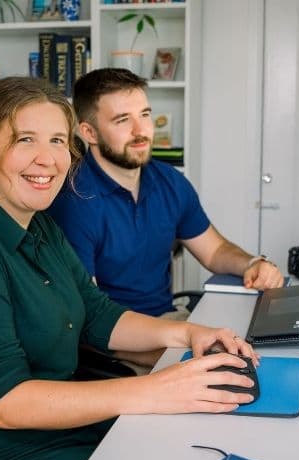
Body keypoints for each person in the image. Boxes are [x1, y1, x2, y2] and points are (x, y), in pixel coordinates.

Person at [0, 76, 260, 460]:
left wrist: (190, 334)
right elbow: (6, 403)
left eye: (58, 140)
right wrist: (155, 390)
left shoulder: (40, 227)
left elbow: (98, 315)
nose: (48, 159)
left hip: (56, 435)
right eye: (26, 140)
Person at [47, 68, 284, 322]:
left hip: (167, 319)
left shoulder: (169, 181)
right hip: (115, 341)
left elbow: (214, 251)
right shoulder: (73, 201)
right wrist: (181, 339)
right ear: (89, 133)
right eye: (122, 120)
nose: (141, 130)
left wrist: (252, 264)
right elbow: (90, 316)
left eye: (145, 115)